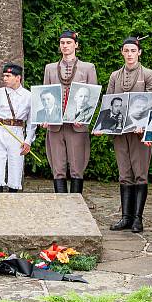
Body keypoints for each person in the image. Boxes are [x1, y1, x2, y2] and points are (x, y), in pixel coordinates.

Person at [95, 37, 152, 232]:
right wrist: (102, 126)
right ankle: (125, 217)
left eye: (133, 50)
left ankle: (138, 218)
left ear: (139, 52)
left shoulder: (148, 74)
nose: (129, 54)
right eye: (126, 50)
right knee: (124, 174)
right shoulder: (115, 76)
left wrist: (145, 126)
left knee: (140, 174)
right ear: (122, 52)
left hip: (139, 132)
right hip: (120, 132)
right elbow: (109, 102)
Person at [43, 30, 97, 193]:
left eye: (68, 43)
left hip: (77, 124)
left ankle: (76, 206)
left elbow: (92, 96)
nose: (65, 46)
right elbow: (45, 93)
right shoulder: (50, 68)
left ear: (76, 45)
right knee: (57, 167)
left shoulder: (87, 68)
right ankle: (61, 206)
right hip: (56, 125)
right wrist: (45, 117)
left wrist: (85, 117)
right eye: (62, 43)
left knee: (77, 166)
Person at [0, 64, 36, 193]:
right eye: (4, 76)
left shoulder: (28, 96)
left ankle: (13, 196)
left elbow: (32, 122)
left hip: (17, 131)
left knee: (16, 163)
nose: (5, 79)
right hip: (0, 130)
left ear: (18, 77)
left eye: (8, 76)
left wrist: (28, 141)